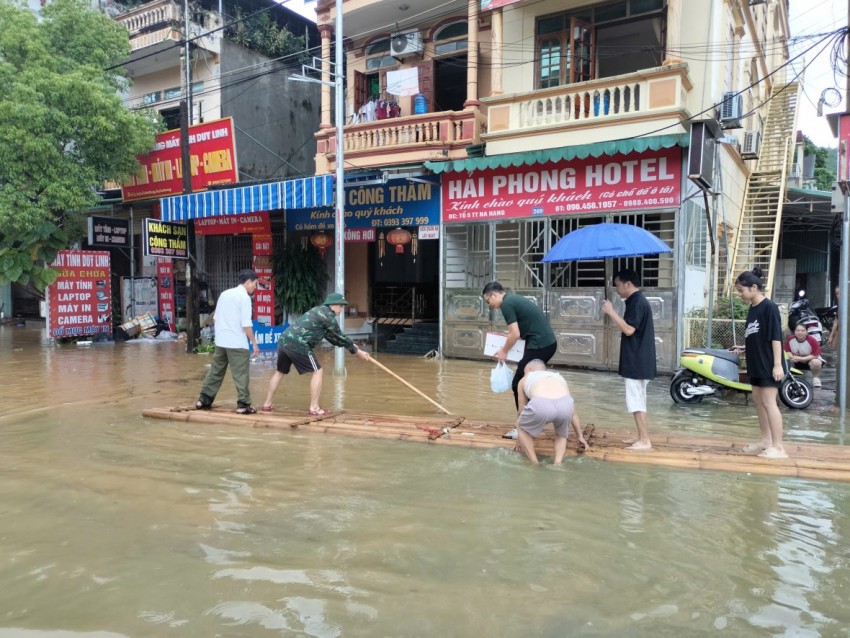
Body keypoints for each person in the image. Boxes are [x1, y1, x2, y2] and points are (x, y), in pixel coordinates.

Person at [262, 292, 372, 415]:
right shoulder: (327, 316)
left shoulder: (318, 311)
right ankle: (314, 407)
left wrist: (356, 348)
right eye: (341, 306)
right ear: (333, 305)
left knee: (280, 372)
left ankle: (267, 404)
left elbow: (334, 338)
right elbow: (340, 336)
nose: (342, 309)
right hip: (298, 344)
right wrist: (357, 352)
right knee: (318, 371)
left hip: (284, 340)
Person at [734, 267, 787, 459]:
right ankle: (765, 441)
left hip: (768, 363)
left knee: (769, 402)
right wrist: (743, 347)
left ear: (754, 287)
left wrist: (777, 364)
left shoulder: (769, 307)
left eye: (742, 290)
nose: (740, 294)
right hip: (755, 362)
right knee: (758, 400)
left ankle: (779, 447)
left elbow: (775, 337)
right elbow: (756, 335)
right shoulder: (753, 307)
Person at [601, 269, 656, 451]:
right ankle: (641, 436)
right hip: (638, 359)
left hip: (637, 360)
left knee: (636, 401)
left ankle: (645, 440)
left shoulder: (637, 302)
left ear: (628, 284)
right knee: (638, 400)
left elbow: (629, 330)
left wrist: (611, 312)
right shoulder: (635, 301)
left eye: (617, 285)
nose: (616, 289)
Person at [482, 281, 557, 409]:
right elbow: (518, 331)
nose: (491, 306)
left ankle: (523, 425)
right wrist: (508, 338)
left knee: (518, 383)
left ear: (493, 295)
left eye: (488, 302)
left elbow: (515, 334)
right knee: (531, 382)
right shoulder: (512, 299)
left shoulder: (506, 304)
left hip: (540, 345)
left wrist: (503, 351)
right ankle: (538, 416)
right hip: (546, 344)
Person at [195, 269, 260, 414]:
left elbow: (215, 318)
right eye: (255, 284)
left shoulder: (224, 294)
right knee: (241, 374)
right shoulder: (244, 298)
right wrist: (254, 343)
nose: (255, 288)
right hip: (237, 343)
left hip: (221, 342)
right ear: (248, 282)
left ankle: (203, 400)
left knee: (215, 371)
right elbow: (246, 324)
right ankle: (243, 405)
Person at [515, 360, 588, 464]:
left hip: (541, 404)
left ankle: (534, 463)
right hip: (565, 405)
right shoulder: (559, 377)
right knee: (561, 434)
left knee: (520, 426)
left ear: (529, 369)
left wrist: (520, 439)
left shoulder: (525, 378)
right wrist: (579, 436)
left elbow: (521, 409)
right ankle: (557, 464)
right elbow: (573, 413)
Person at [784, 323, 824, 388]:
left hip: (810, 359)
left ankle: (815, 378)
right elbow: (787, 351)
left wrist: (801, 358)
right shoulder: (790, 339)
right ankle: (790, 379)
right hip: (796, 360)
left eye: (802, 331)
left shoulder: (812, 340)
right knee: (786, 360)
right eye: (798, 330)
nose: (800, 332)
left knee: (816, 362)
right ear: (794, 332)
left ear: (806, 332)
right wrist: (792, 357)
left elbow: (815, 355)